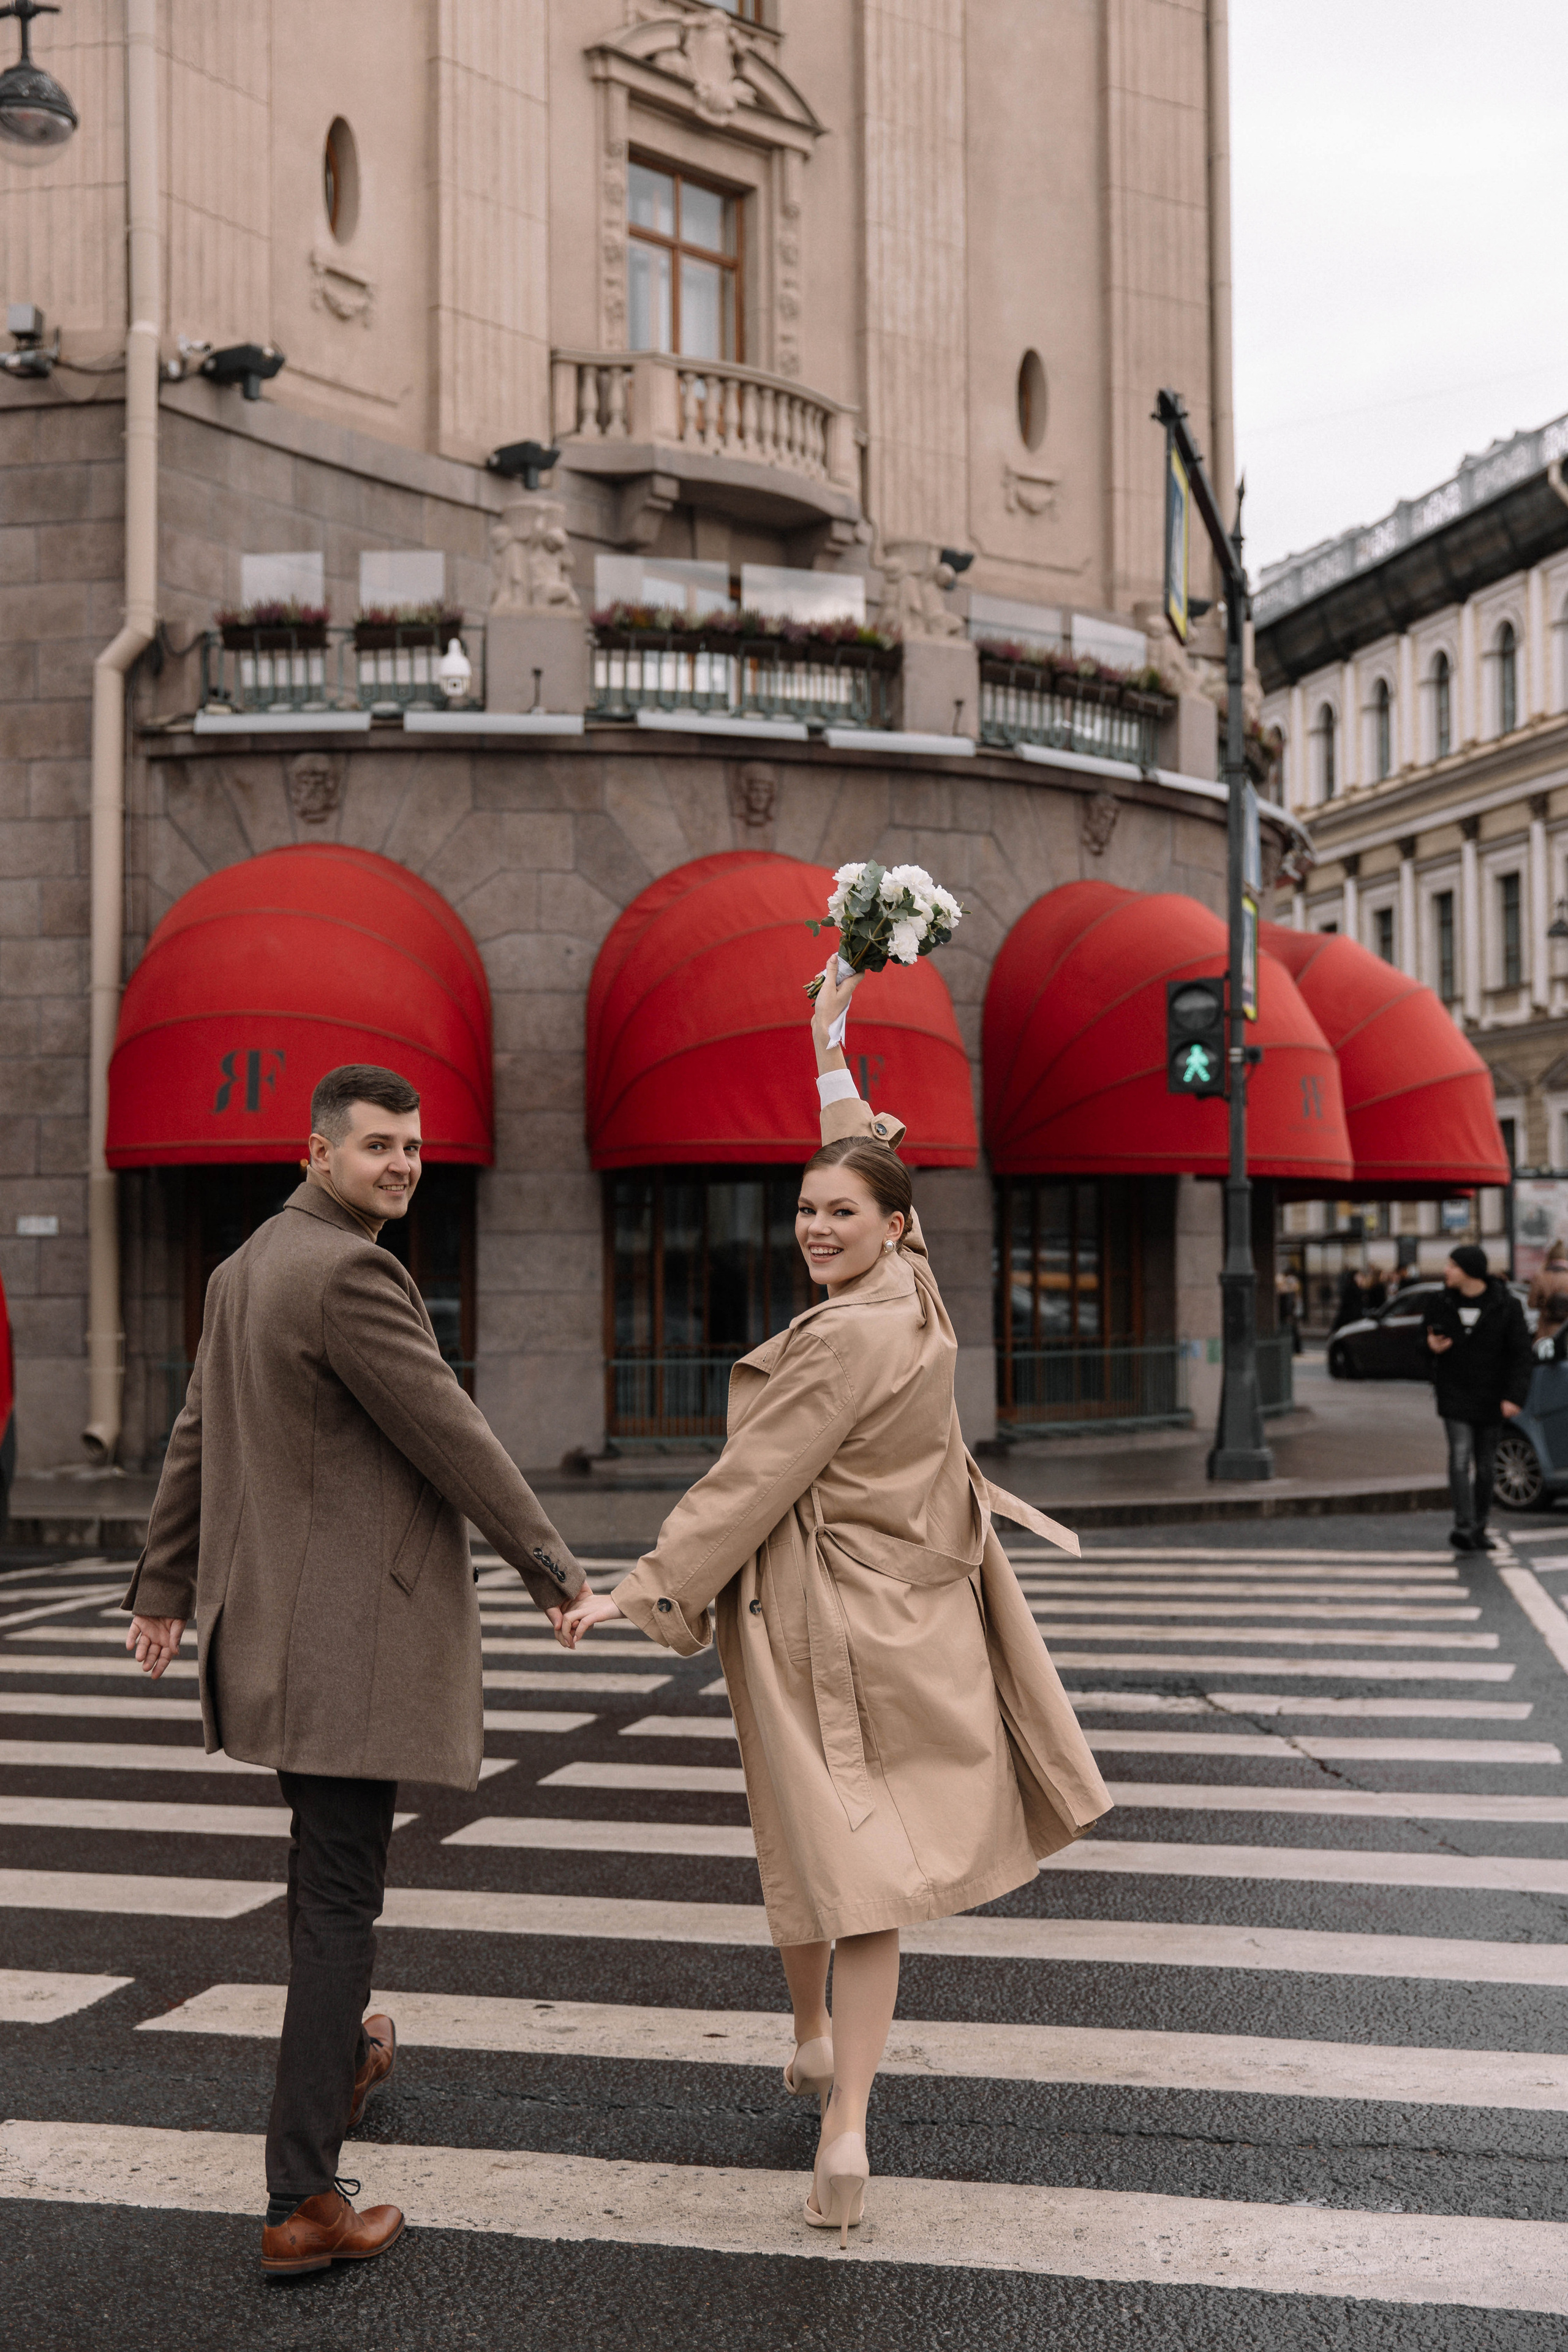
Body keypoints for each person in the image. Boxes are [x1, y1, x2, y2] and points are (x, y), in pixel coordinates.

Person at [557, 961, 1111, 2246]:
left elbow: (743, 1484)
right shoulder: (914, 1298)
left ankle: (837, 2099)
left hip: (821, 1628)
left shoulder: (842, 1340)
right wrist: (827, 1048)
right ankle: (821, 2068)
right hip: (913, 1614)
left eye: (837, 1214)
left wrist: (632, 1594)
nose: (815, 1228)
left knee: (833, 1858)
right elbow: (865, 1157)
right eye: (805, 1209)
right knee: (836, 1852)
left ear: (889, 1227)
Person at [121, 1065, 584, 2277]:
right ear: (319, 1152)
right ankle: (301, 2199)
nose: (402, 1164)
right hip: (347, 1648)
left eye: (415, 1146)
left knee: (326, 1883)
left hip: (270, 1638)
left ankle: (350, 2059)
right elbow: (450, 1429)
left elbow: (192, 1436)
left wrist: (165, 1590)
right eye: (378, 1145)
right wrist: (552, 1568)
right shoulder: (350, 1273)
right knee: (338, 1905)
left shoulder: (244, 1267)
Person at [1423, 1243, 1533, 1554]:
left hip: (1492, 1396)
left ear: (1469, 1270)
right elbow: (1420, 1341)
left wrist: (1514, 1397)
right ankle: (1463, 1525)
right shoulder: (1440, 1302)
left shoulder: (1506, 1305)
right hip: (1454, 1392)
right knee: (1459, 1458)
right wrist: (1430, 1346)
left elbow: (1521, 1355)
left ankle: (1479, 1526)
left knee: (1485, 1465)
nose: (1446, 1271)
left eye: (1452, 1266)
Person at [1528, 1240, 1568, 1355]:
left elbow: (1532, 1303)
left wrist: (1544, 1302)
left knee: (1545, 1361)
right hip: (1565, 1328)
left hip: (1546, 1328)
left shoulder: (1541, 1277)